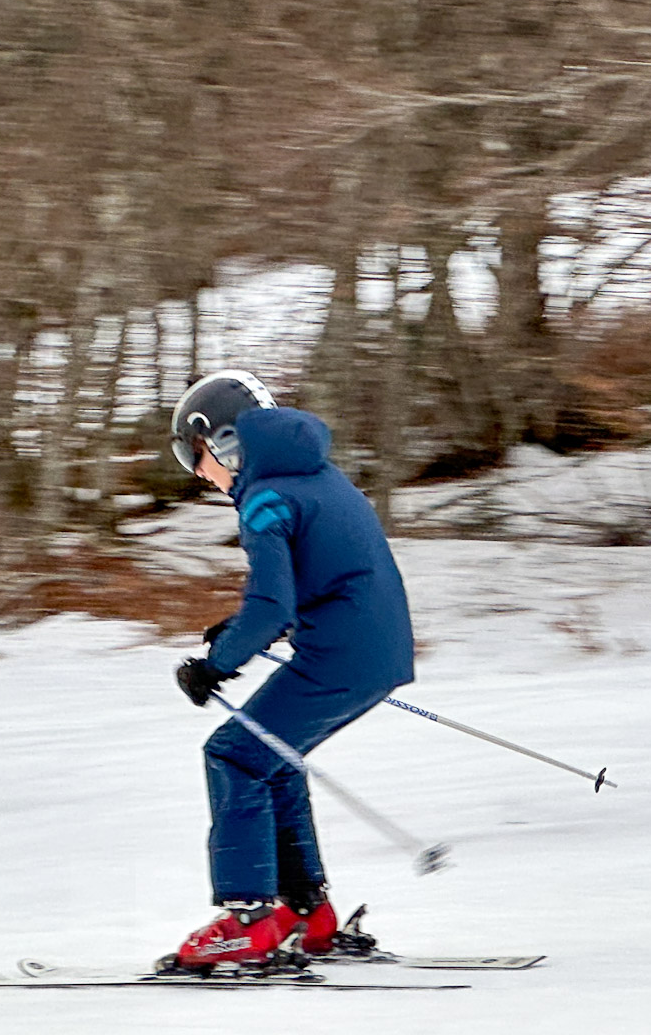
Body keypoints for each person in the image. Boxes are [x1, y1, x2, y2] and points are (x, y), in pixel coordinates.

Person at [162, 370, 415, 970]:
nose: (197, 472)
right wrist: (243, 628)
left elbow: (275, 601)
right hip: (376, 651)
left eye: (191, 455)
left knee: (232, 754)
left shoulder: (265, 497)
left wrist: (215, 666)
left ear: (222, 440)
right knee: (270, 755)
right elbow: (317, 577)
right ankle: (307, 912)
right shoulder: (316, 476)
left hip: (338, 655)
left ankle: (247, 920)